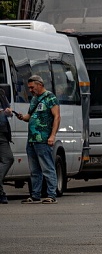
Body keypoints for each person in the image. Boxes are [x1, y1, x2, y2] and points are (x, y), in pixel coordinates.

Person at [15, 75, 60, 204]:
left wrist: (52, 135)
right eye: (29, 87)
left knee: (47, 167)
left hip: (43, 139)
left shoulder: (50, 98)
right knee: (34, 170)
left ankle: (51, 194)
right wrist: (22, 117)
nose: (30, 90)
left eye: (32, 87)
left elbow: (57, 117)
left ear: (40, 84)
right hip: (32, 140)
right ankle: (35, 194)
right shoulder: (35, 99)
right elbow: (30, 116)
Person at [0, 90, 13, 204]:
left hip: (2, 133)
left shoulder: (1, 92)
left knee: (8, 158)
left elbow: (8, 110)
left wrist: (8, 112)